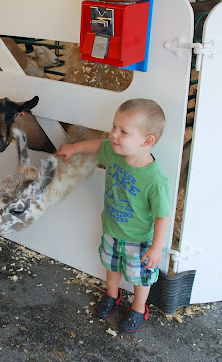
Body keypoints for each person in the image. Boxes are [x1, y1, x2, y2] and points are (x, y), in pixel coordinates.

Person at [56, 99, 171, 333]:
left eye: (123, 131)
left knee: (140, 276)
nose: (114, 134)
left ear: (147, 141)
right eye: (114, 127)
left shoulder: (155, 180)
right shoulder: (115, 152)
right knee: (112, 265)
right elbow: (99, 145)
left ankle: (139, 307)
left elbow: (163, 215)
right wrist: (74, 148)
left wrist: (156, 248)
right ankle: (112, 294)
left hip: (138, 239)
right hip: (111, 229)